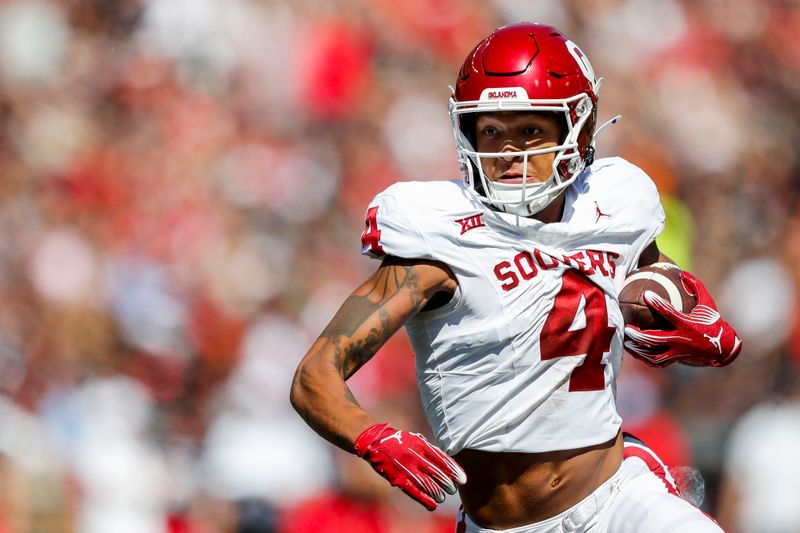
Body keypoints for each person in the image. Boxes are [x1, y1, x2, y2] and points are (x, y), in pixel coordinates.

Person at [290, 22, 742, 532]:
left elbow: (654, 274)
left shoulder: (616, 201)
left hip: (619, 497)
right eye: (491, 130)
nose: (509, 152)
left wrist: (688, 308)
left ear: (579, 128)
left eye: (530, 129)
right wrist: (372, 437)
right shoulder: (439, 234)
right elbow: (315, 375)